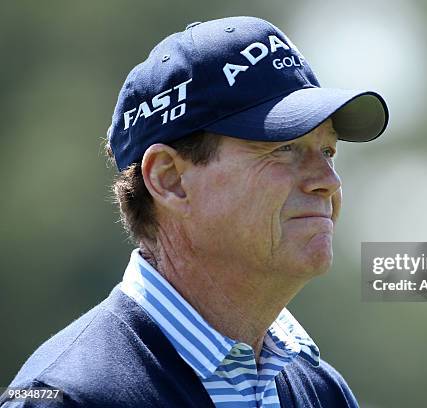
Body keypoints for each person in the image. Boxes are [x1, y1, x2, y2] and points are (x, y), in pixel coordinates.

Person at [1, 16, 388, 407]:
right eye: (283, 148)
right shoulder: (63, 397)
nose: (329, 181)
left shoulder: (324, 393)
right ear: (169, 179)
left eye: (327, 151)